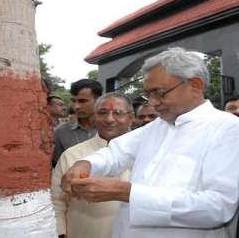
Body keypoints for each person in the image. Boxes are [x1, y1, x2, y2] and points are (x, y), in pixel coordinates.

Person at [61, 47, 239, 238]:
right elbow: (115, 153)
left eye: (160, 93)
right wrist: (85, 164)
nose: (153, 102)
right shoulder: (157, 126)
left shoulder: (228, 129)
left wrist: (128, 193)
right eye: (149, 94)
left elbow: (218, 207)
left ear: (195, 85)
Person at [52, 92, 134, 238]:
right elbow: (57, 203)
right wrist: (61, 234)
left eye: (118, 113)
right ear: (95, 117)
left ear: (131, 118)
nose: (109, 119)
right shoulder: (72, 155)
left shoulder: (148, 155)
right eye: (102, 113)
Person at [51, 79, 102, 168]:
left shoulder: (112, 130)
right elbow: (57, 166)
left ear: (98, 100)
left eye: (83, 101)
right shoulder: (61, 132)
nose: (76, 106)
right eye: (73, 101)